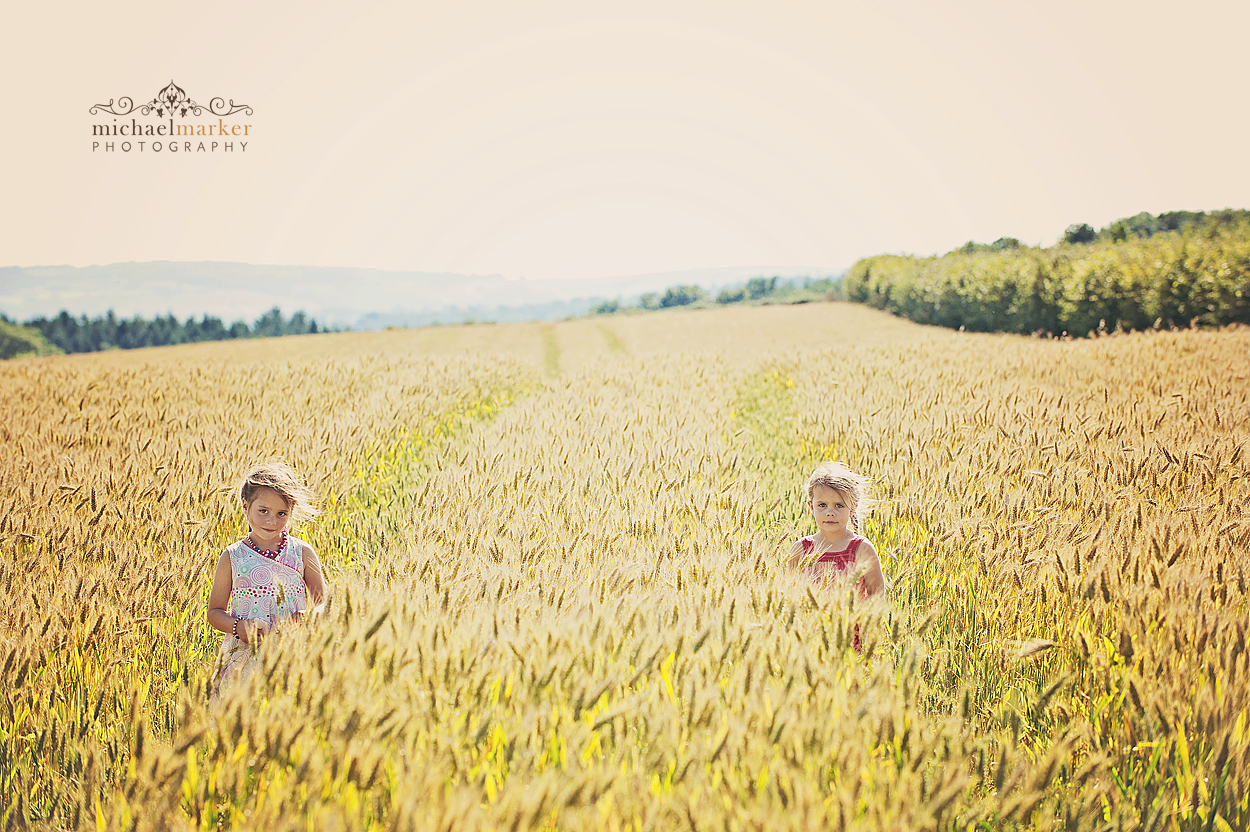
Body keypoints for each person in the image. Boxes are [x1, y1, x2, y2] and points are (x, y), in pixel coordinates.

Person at [207, 462, 326, 695]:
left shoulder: (302, 553)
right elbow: (214, 612)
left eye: (281, 514)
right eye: (263, 511)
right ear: (245, 506)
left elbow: (324, 602)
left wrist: (309, 617)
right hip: (243, 657)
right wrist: (238, 626)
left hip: (291, 653)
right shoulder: (233, 557)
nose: (272, 521)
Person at [788, 462, 886, 650]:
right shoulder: (800, 550)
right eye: (822, 505)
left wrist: (868, 632)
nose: (830, 512)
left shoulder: (861, 549)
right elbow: (789, 594)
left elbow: (877, 595)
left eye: (839, 505)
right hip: (811, 640)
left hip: (852, 642)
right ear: (811, 506)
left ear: (852, 508)